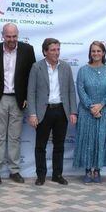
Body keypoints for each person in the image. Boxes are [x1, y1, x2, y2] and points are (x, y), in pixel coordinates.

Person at [0, 23, 36, 185]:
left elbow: (32, 77)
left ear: (18, 35)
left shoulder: (27, 50)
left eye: (14, 36)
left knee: (14, 137)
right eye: (8, 36)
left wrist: (28, 98)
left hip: (18, 100)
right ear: (2, 35)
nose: (11, 39)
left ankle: (14, 170)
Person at [27, 38, 77, 186]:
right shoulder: (37, 67)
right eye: (53, 50)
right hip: (44, 111)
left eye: (58, 49)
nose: (56, 53)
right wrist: (32, 114)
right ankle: (41, 175)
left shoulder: (66, 67)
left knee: (59, 145)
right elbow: (31, 92)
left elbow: (71, 91)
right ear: (45, 52)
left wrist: (73, 112)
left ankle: (57, 174)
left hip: (61, 111)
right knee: (40, 145)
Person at [73, 41, 106, 183]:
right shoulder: (83, 70)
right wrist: (91, 106)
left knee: (100, 139)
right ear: (90, 53)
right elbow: (80, 90)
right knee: (86, 140)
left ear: (103, 53)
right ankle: (87, 170)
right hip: (86, 111)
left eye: (98, 51)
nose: (96, 53)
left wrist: (101, 105)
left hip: (103, 111)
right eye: (93, 51)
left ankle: (97, 171)